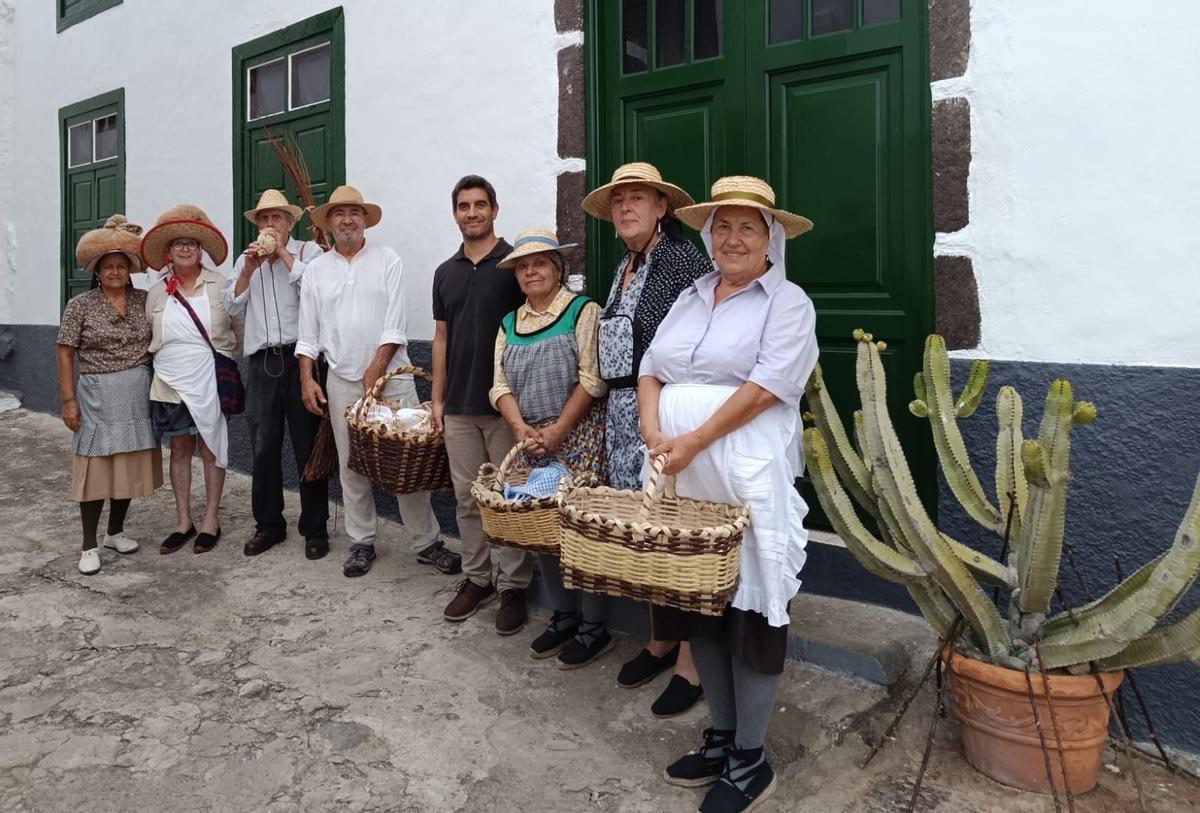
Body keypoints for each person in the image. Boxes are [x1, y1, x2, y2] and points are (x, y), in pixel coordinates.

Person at [640, 176, 818, 812]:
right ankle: (719, 735)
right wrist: (655, 432)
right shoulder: (690, 297)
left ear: (770, 236)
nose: (732, 237)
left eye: (747, 226)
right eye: (722, 226)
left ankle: (750, 758)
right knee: (701, 607)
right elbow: (652, 369)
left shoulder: (788, 302)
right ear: (708, 233)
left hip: (743, 471)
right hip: (682, 474)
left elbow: (771, 384)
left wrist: (696, 437)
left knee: (751, 609)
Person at [581, 161, 711, 715]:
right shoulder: (625, 265)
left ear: (662, 207)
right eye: (618, 201)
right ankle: (660, 639)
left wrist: (658, 419)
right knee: (645, 530)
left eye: (638, 198)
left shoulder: (683, 260)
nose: (626, 207)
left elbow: (689, 344)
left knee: (674, 530)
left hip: (664, 413)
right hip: (621, 413)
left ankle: (691, 660)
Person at [295, 185, 441, 578]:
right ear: (329, 223)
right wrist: (308, 378)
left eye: (354, 213)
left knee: (408, 461)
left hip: (391, 378)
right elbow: (307, 334)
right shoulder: (315, 271)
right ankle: (362, 541)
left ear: (364, 220)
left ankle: (427, 542)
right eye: (339, 214)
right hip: (340, 378)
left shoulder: (386, 260)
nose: (347, 220)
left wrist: (376, 368)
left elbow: (395, 325)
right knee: (351, 464)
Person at [488, 229, 610, 661]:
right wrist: (520, 428)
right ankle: (563, 617)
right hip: (532, 443)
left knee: (582, 533)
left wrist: (558, 430)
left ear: (558, 268)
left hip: (579, 439)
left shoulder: (582, 311)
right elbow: (499, 384)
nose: (531, 271)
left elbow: (592, 378)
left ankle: (594, 627)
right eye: (523, 266)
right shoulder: (508, 323)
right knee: (544, 532)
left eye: (540, 263)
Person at [432, 176, 535, 625]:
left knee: (509, 501)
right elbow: (440, 338)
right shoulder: (445, 272)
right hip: (457, 408)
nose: (471, 213)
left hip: (504, 408)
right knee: (468, 500)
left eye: (479, 205)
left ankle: (514, 587)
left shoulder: (514, 266)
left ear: (495, 209)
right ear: (455, 213)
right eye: (463, 206)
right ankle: (478, 578)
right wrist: (436, 399)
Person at [223, 189, 330, 560]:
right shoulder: (245, 260)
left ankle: (315, 528)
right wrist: (251, 268)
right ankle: (268, 525)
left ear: (290, 223)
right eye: (264, 220)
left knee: (307, 445)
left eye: (276, 219)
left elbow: (314, 288)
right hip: (261, 363)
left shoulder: (308, 253)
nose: (269, 225)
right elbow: (231, 304)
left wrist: (282, 254)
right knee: (263, 447)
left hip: (301, 360)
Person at [56, 215, 163, 575]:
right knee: (96, 468)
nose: (115, 272)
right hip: (97, 394)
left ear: (129, 270)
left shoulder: (143, 300)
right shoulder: (81, 306)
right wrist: (69, 400)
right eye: (108, 267)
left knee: (127, 466)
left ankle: (115, 532)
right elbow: (65, 352)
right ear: (97, 272)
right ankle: (88, 544)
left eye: (121, 266)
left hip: (137, 393)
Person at [141, 204, 235, 555]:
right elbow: (148, 336)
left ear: (200, 251)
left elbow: (236, 330)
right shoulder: (156, 292)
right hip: (169, 381)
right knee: (180, 448)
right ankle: (183, 520)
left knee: (211, 449)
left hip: (209, 378)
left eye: (191, 244)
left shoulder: (219, 286)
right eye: (178, 243)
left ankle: (211, 519)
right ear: (168, 252)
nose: (184, 249)